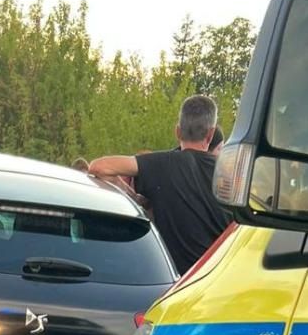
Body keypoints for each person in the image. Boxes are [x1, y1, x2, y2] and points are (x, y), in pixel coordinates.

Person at [88, 95, 230, 275]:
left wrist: (134, 198)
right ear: (211, 134)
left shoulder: (161, 165)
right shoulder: (231, 176)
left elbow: (99, 167)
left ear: (177, 132)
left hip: (175, 281)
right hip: (220, 279)